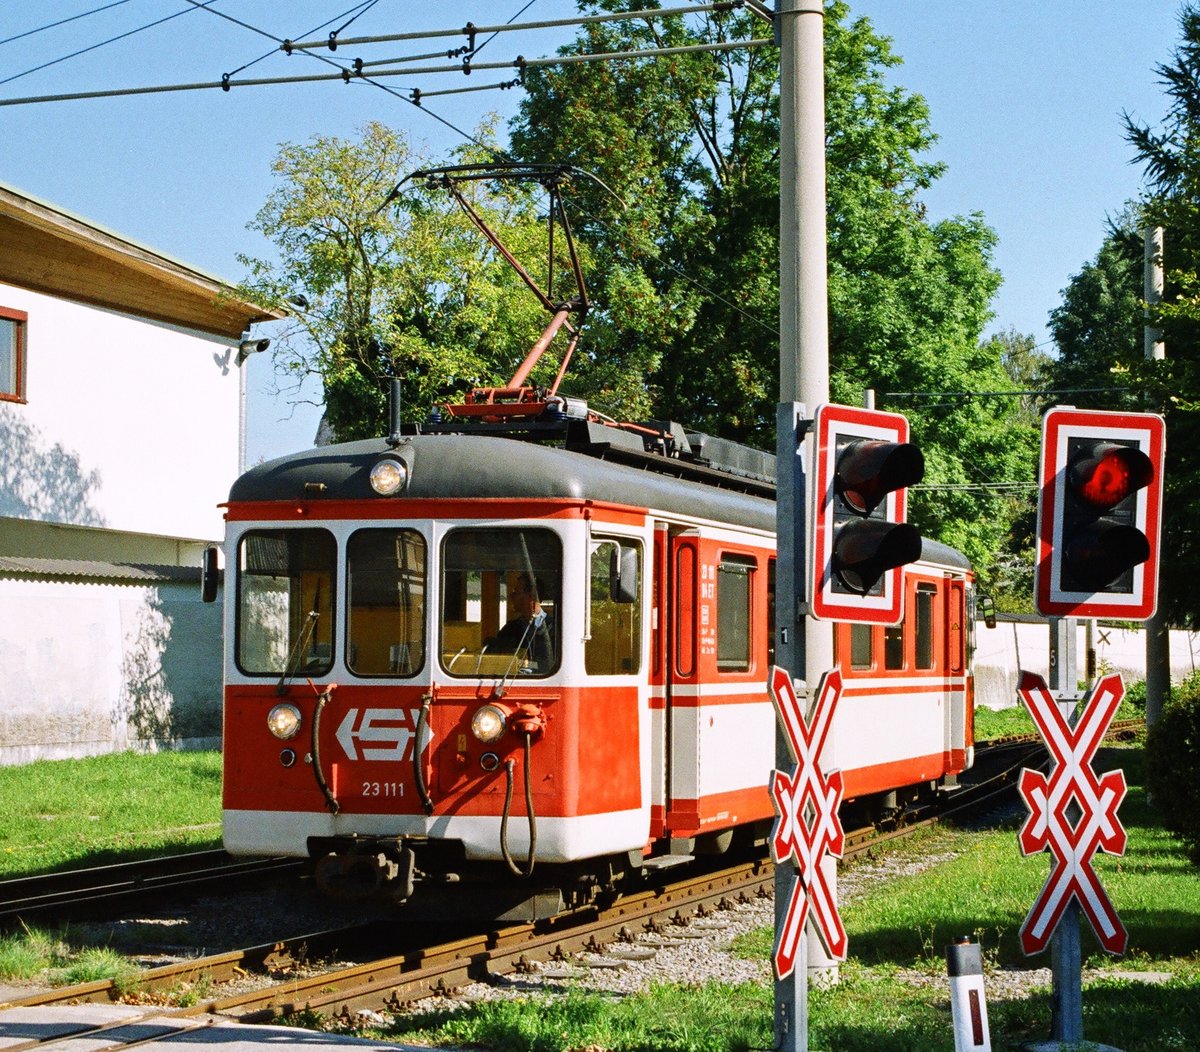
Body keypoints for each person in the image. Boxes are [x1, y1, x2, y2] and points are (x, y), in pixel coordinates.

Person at [488, 572, 554, 671]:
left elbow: (549, 665)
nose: (511, 596)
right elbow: (499, 660)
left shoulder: (554, 628)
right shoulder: (510, 629)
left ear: (531, 596)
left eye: (516, 592)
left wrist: (525, 664)